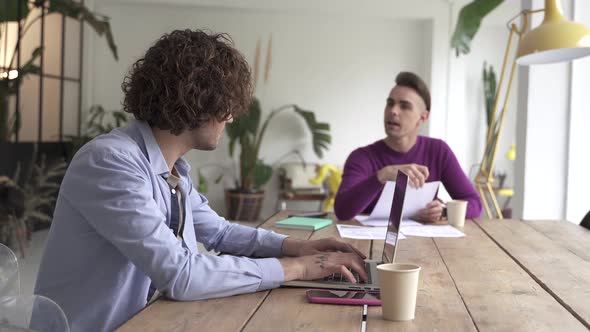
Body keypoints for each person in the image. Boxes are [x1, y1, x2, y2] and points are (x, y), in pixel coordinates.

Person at [34, 30, 367, 332]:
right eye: (227, 104)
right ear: (197, 100)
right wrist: (299, 269)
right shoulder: (110, 162)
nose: (232, 116)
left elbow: (218, 232)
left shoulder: (171, 169)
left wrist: (297, 247)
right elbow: (180, 275)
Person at [334, 71, 482, 222]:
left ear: (422, 117)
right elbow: (342, 211)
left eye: (404, 106)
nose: (393, 111)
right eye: (390, 103)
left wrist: (444, 211)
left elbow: (475, 203)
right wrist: (382, 175)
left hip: (427, 243)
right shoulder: (361, 157)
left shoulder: (438, 151)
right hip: (369, 242)